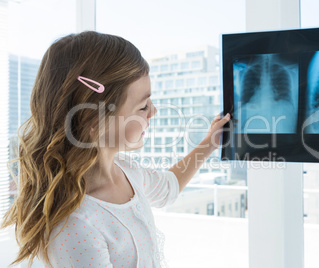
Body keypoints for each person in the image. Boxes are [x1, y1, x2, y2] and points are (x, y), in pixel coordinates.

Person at [0, 31, 231, 268]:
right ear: (95, 120)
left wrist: (210, 143)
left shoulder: (125, 170)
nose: (153, 112)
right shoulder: (76, 224)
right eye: (142, 107)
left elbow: (167, 188)